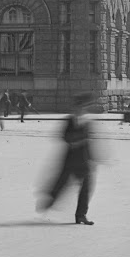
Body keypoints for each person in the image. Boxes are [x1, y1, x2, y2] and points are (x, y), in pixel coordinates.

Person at [38, 95, 96, 224]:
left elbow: (89, 142)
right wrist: (79, 139)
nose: (82, 110)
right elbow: (65, 137)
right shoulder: (69, 121)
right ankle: (50, 199)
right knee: (61, 183)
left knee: (86, 188)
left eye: (84, 107)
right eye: (80, 107)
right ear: (76, 108)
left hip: (84, 159)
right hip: (70, 160)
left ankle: (81, 215)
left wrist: (92, 158)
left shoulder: (87, 122)